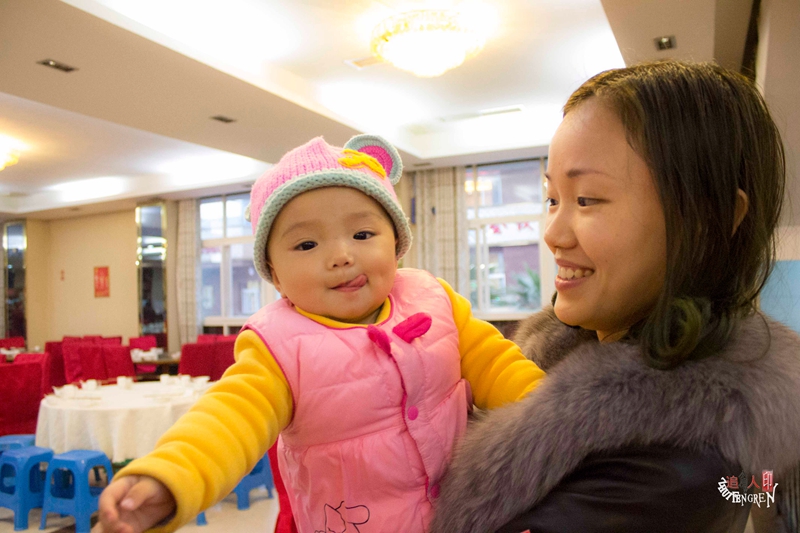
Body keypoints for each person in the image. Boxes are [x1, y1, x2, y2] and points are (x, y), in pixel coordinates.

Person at [93, 134, 547, 533]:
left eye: (363, 234)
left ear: (396, 243)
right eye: (307, 244)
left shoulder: (434, 298)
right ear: (274, 273)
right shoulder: (276, 346)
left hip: (473, 514)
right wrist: (170, 478)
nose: (341, 256)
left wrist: (558, 417)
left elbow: (497, 365)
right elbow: (228, 419)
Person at [429, 60, 800, 533]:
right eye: (552, 199)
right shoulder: (562, 355)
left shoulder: (676, 469)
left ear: (708, 220)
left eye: (587, 199)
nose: (552, 234)